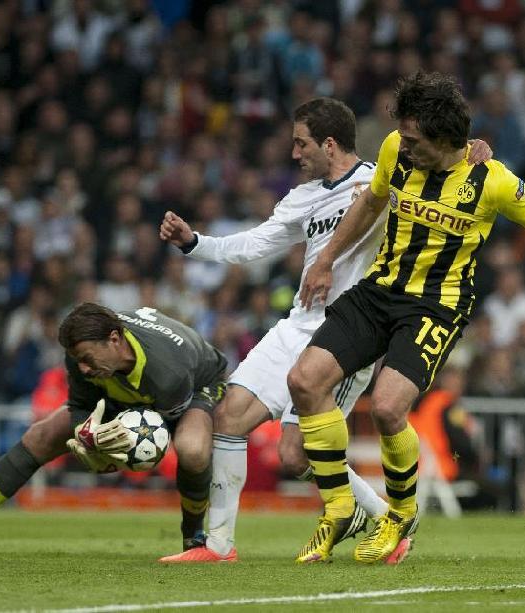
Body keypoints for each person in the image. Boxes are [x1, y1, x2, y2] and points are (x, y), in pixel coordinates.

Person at [155, 97, 493, 563]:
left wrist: (473, 149)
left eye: (301, 144)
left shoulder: (386, 177)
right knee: (229, 417)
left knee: (297, 456)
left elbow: (444, 168)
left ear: (329, 143)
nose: (295, 154)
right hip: (298, 323)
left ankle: (384, 520)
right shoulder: (302, 196)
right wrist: (196, 243)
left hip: (349, 330)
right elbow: (257, 243)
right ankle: (218, 546)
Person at [287, 71, 525, 564]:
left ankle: (399, 519)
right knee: (304, 380)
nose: (404, 143)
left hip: (436, 305)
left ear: (445, 139)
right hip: (379, 290)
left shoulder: (492, 179)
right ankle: (340, 508)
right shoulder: (397, 152)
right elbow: (371, 201)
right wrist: (326, 259)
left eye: (415, 137)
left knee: (386, 408)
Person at [0, 302, 228, 558]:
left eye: (86, 358)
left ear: (115, 340)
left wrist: (113, 455)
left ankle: (193, 538)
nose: (81, 367)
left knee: (192, 448)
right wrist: (88, 435)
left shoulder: (167, 372)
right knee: (39, 436)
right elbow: (81, 408)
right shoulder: (84, 357)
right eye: (76, 359)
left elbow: (153, 442)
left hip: (200, 382)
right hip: (124, 384)